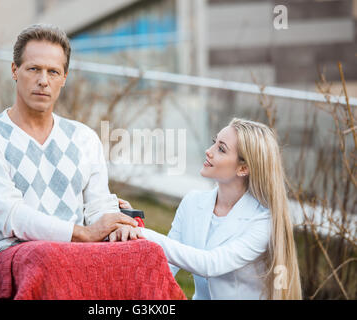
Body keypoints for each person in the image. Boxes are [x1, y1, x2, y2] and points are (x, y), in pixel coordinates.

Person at [0, 24, 138, 260]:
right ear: (15, 70)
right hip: (14, 255)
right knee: (44, 257)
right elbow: (7, 215)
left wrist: (116, 226)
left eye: (53, 72)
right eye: (34, 69)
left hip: (79, 254)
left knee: (144, 252)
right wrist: (83, 234)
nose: (43, 80)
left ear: (64, 78)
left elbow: (98, 206)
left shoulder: (83, 137)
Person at [112, 118, 302, 300]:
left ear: (243, 168)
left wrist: (142, 233)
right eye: (214, 142)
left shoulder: (262, 221)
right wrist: (133, 222)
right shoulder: (192, 202)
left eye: (221, 149)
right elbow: (165, 263)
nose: (208, 151)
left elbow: (210, 264)